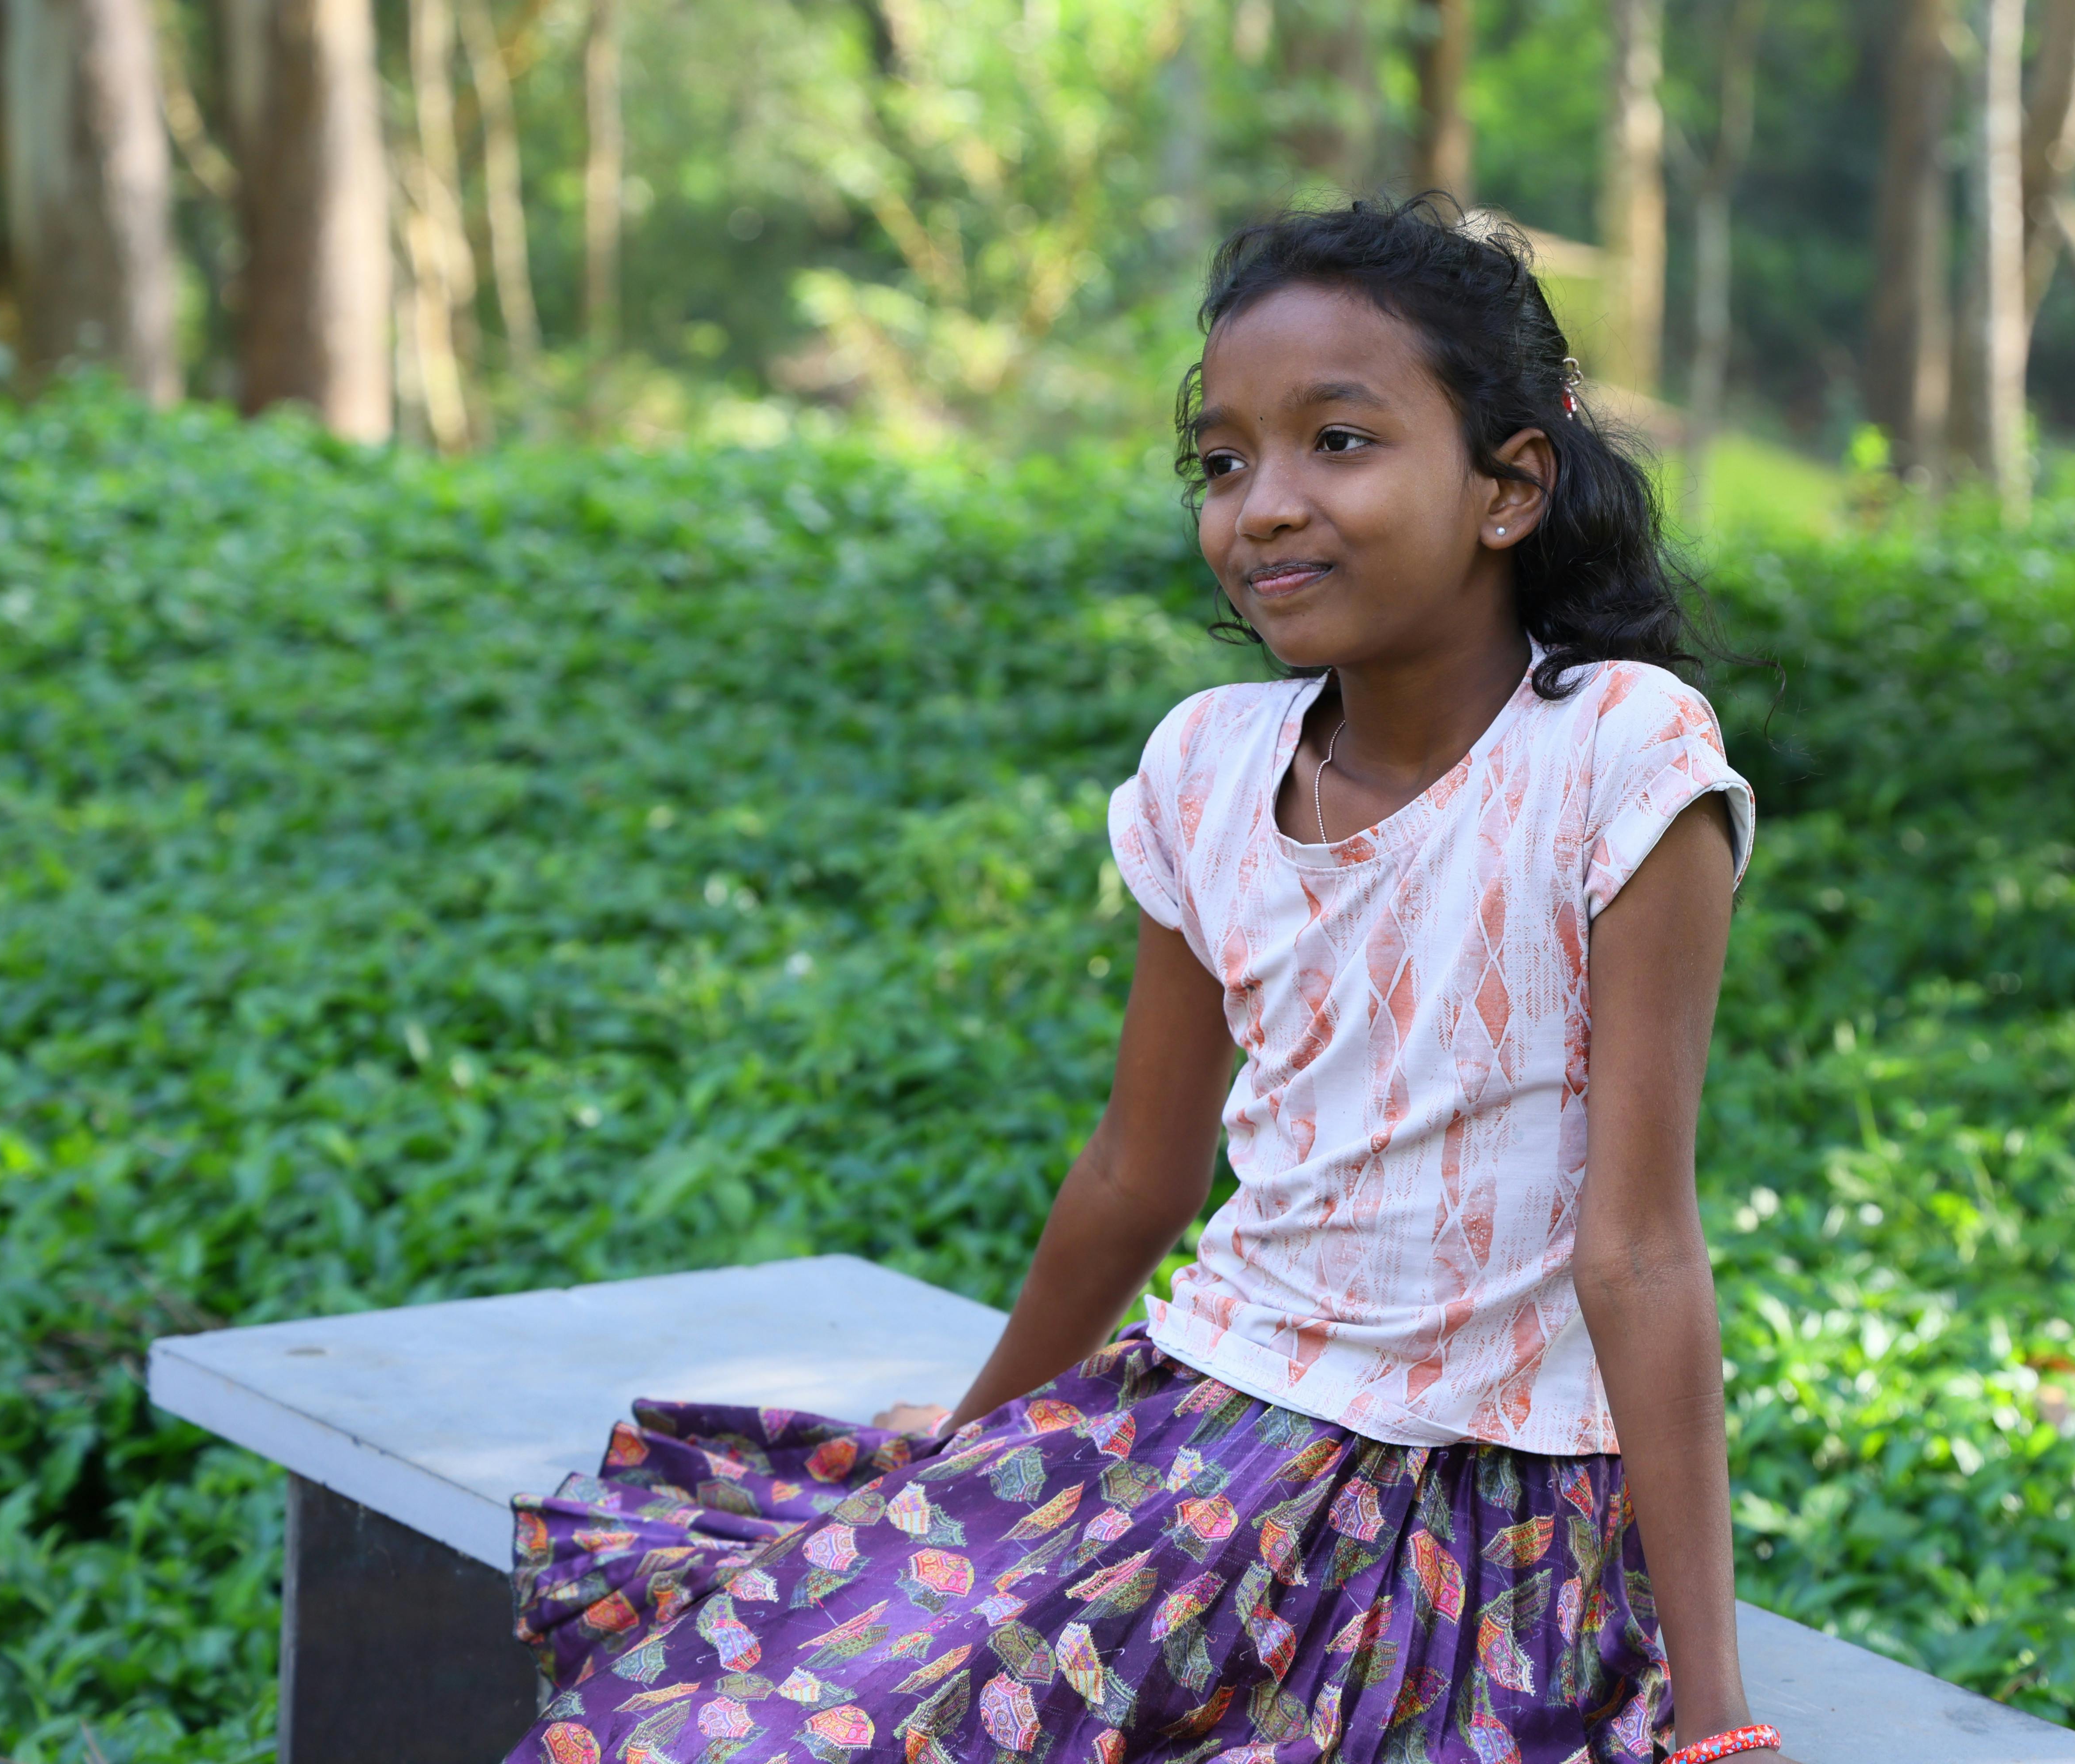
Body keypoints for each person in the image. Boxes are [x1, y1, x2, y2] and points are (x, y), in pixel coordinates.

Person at [503, 197, 1793, 1764]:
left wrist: (1717, 1723)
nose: (1262, 508)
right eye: (1224, 460)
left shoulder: (1617, 756)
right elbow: (1137, 1167)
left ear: (1509, 485)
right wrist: (975, 1444)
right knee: (770, 1718)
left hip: (1477, 1500)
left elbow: (1643, 1255)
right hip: (1201, 1425)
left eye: (1338, 442)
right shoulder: (1208, 764)